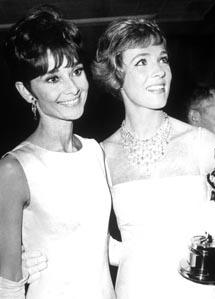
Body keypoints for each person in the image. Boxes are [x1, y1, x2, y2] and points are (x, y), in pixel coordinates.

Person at [25, 16, 215, 299]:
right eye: (142, 61)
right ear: (116, 75)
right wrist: (34, 255)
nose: (160, 72)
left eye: (163, 59)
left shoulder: (204, 143)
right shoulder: (99, 155)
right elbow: (95, 244)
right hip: (136, 289)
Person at [0, 5, 116, 299]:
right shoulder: (15, 168)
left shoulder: (94, 151)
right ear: (26, 92)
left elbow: (101, 246)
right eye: (53, 78)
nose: (73, 87)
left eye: (76, 71)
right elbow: (8, 283)